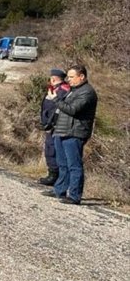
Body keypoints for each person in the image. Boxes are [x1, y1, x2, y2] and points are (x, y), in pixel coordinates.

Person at [43, 64, 98, 205]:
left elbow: (73, 110)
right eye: (68, 77)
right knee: (62, 164)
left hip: (75, 132)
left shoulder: (87, 92)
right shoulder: (72, 91)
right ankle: (59, 190)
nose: (69, 79)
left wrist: (56, 100)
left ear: (82, 76)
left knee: (74, 165)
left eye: (72, 77)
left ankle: (74, 195)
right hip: (61, 130)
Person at [38, 69, 71, 185]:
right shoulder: (56, 89)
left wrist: (51, 123)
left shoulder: (62, 91)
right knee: (50, 149)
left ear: (54, 78)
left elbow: (57, 109)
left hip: (55, 126)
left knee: (52, 150)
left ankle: (54, 176)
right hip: (50, 125)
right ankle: (52, 174)